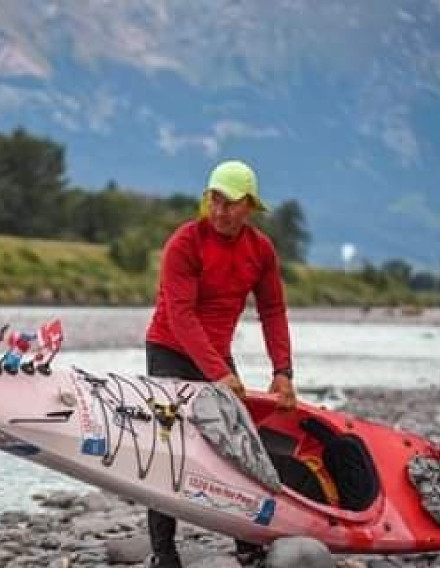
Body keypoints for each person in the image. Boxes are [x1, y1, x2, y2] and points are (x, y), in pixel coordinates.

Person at [144, 159, 296, 567]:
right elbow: (181, 315)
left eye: (230, 203)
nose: (220, 211)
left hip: (216, 355)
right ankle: (163, 551)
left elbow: (273, 310)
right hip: (170, 348)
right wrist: (219, 374)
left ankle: (247, 541)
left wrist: (283, 372)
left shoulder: (260, 250)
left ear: (250, 205)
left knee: (239, 444)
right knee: (170, 446)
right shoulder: (185, 242)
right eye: (214, 200)